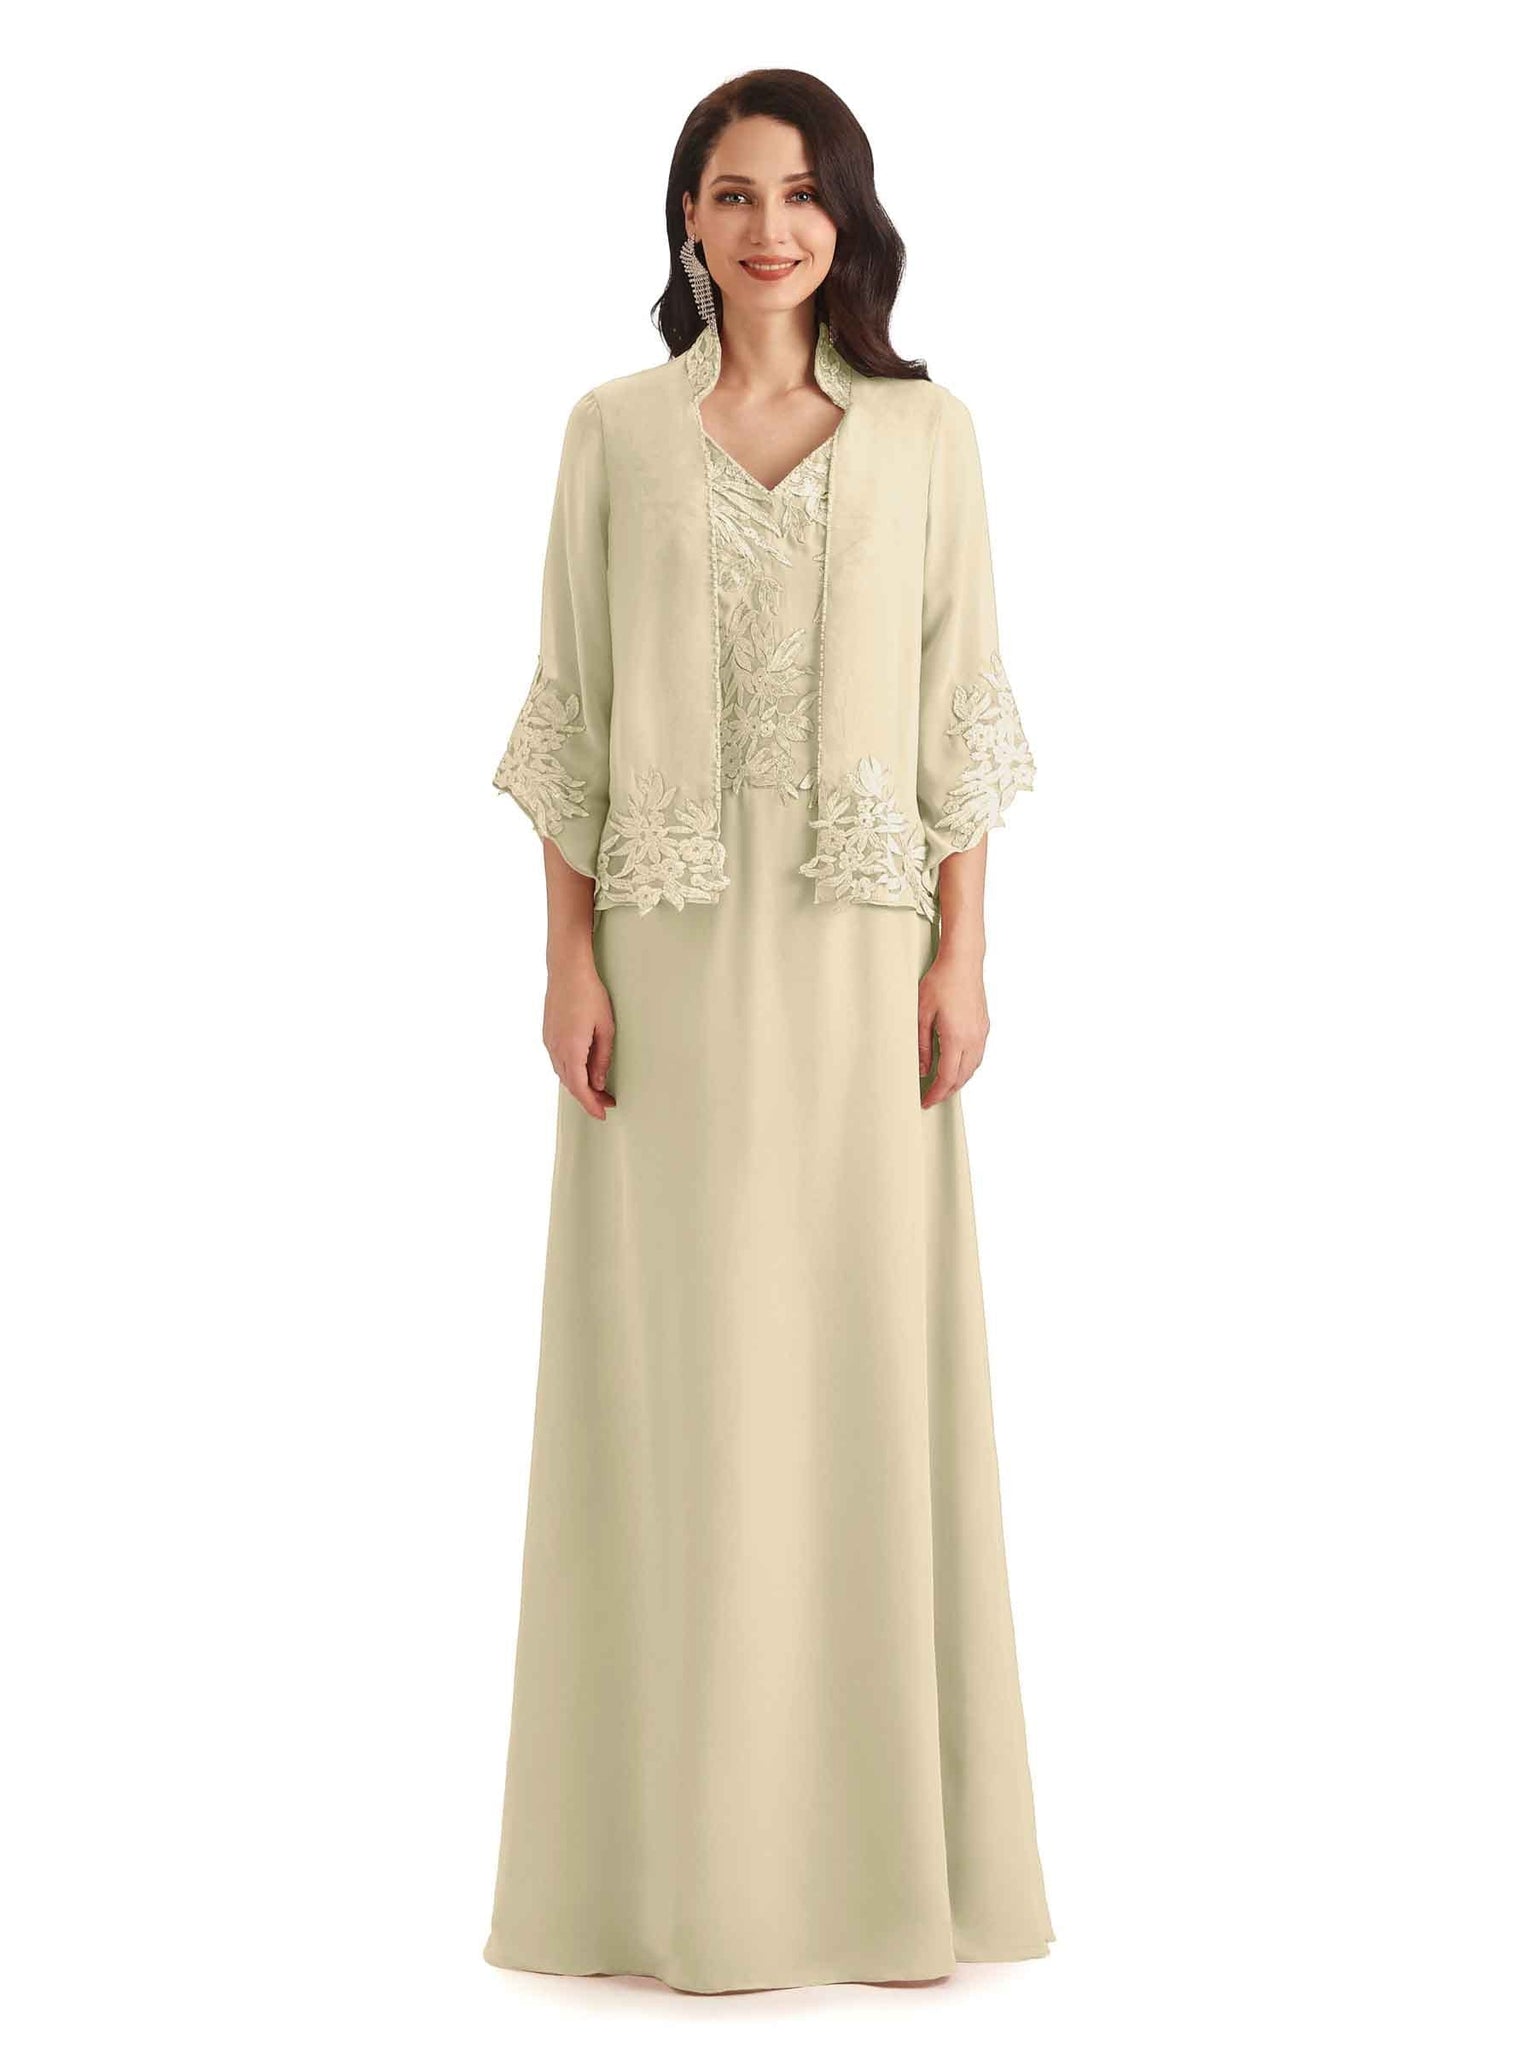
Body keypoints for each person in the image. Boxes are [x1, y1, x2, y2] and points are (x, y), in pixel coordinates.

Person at [483, 68, 1053, 1997]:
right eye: (733, 195)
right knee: (678, 1388)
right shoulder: (612, 436)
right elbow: (569, 712)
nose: (769, 229)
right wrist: (567, 961)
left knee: (861, 1370)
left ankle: (884, 1874)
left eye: (802, 195)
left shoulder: (929, 439)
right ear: (688, 221)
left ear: (846, 218)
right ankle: (668, 1872)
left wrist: (966, 952)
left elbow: (964, 705)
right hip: (667, 969)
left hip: (862, 967)